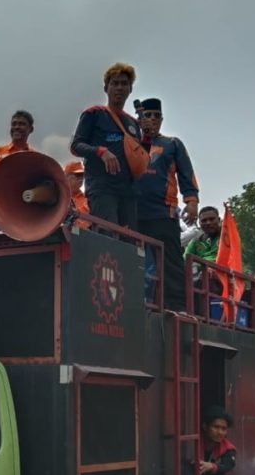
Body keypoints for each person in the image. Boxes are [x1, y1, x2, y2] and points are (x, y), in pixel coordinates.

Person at [135, 98, 199, 311]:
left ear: (161, 119)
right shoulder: (131, 141)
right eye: (147, 115)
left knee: (170, 262)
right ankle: (137, 302)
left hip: (164, 211)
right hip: (133, 210)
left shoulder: (172, 143)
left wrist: (191, 201)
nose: (152, 119)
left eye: (156, 115)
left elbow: (186, 173)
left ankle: (175, 306)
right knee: (135, 259)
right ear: (139, 118)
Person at [70, 62, 150, 230]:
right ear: (106, 88)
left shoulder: (133, 123)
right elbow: (76, 146)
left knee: (130, 243)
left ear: (131, 89)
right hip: (102, 189)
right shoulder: (94, 114)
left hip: (128, 191)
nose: (119, 88)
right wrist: (100, 151)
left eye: (124, 84)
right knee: (108, 239)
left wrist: (147, 137)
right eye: (115, 83)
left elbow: (140, 156)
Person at [0, 111, 35, 187]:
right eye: (14, 124)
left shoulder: (35, 157)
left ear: (31, 129)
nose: (16, 127)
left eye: (21, 124)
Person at [64, 161, 89, 228]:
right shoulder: (58, 197)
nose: (81, 178)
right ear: (66, 177)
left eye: (82, 175)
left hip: (78, 234)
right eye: (78, 175)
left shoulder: (87, 200)